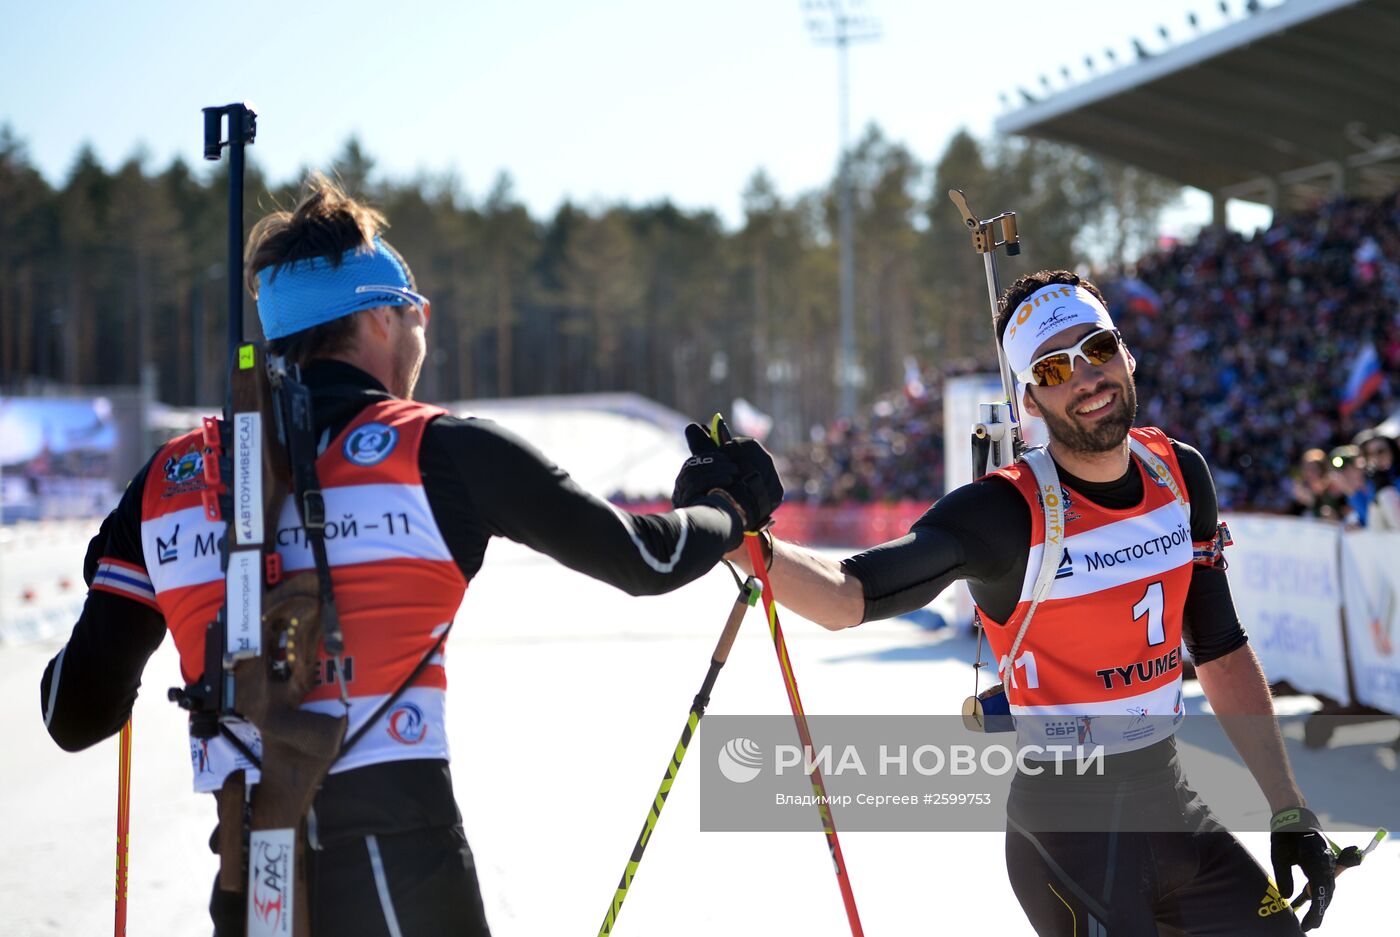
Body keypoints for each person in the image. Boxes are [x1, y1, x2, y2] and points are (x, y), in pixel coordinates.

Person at [38, 175, 782, 937]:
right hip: (402, 875)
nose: (424, 337)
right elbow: (644, 560)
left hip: (253, 889)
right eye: (419, 315)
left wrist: (121, 569)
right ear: (384, 320)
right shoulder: (440, 449)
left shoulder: (170, 478)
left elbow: (75, 714)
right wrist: (727, 508)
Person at [701, 270, 1336, 934]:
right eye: (1055, 368)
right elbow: (847, 595)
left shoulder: (1179, 473)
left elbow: (1222, 649)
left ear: (1127, 354)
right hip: (1072, 837)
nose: (1086, 378)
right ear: (1030, 399)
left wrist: (1289, 810)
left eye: (1096, 349)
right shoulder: (1006, 511)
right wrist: (740, 537)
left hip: (1175, 809)